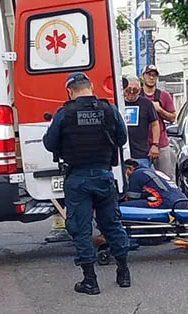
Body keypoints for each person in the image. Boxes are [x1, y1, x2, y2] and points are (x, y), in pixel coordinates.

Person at [43, 72, 132, 295]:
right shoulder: (110, 110)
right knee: (111, 224)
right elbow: (121, 139)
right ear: (91, 87)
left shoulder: (64, 113)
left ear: (69, 91)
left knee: (81, 229)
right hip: (104, 175)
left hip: (78, 178)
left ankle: (90, 281)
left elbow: (49, 143)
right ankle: (123, 273)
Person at [139, 65, 177, 180]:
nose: (151, 78)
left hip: (161, 144)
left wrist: (160, 110)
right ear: (142, 77)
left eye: (154, 75)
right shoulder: (137, 95)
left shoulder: (163, 96)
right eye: (149, 75)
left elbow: (172, 117)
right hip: (141, 146)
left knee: (166, 178)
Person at [123, 78, 161, 169]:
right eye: (129, 89)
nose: (131, 92)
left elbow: (155, 124)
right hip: (122, 153)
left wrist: (155, 145)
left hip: (141, 153)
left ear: (139, 90)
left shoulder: (146, 103)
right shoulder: (117, 102)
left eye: (135, 90)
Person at [121, 160, 187, 209]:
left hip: (167, 202)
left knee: (121, 207)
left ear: (129, 168)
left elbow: (132, 198)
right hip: (183, 201)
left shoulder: (135, 174)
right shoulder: (153, 172)